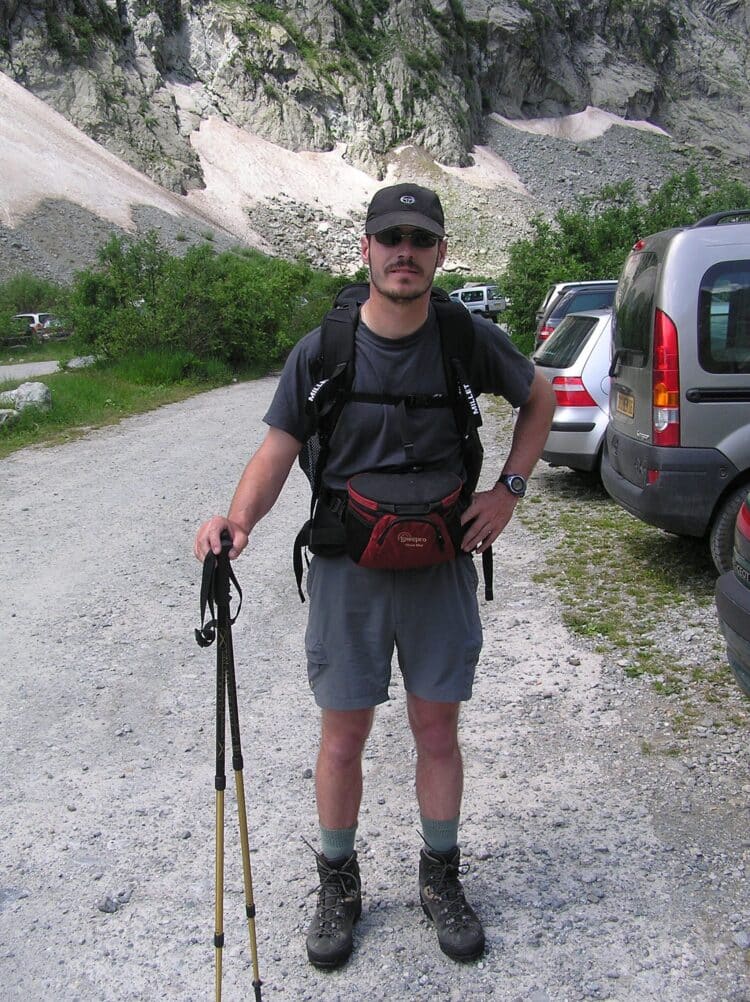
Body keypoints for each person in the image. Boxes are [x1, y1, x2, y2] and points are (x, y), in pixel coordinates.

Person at [194, 182, 556, 970]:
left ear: (439, 254)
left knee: (436, 732)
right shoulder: (323, 350)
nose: (403, 250)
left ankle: (441, 879)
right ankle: (339, 883)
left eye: (419, 238)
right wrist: (239, 521)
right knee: (344, 734)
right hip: (347, 570)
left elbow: (543, 397)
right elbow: (277, 451)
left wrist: (509, 491)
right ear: (364, 249)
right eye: (388, 236)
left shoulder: (465, 336)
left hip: (442, 568)